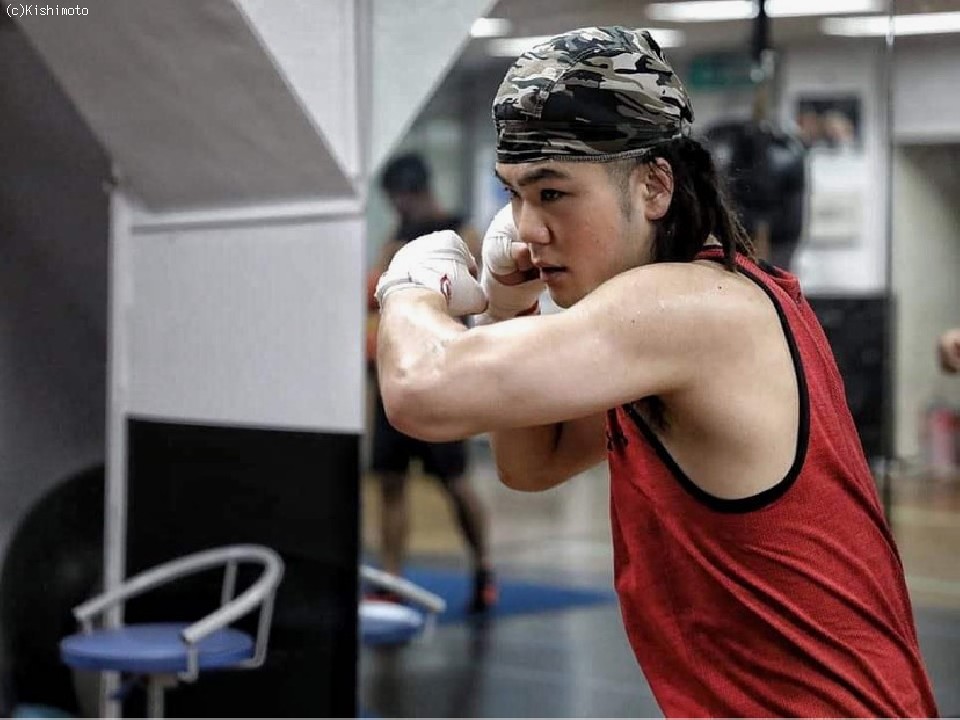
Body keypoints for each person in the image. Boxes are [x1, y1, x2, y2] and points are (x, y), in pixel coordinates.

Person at [372, 26, 938, 717]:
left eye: (553, 194)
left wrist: (409, 284)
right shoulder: (675, 316)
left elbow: (419, 389)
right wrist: (508, 305)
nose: (526, 228)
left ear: (654, 186)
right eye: (515, 195)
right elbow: (533, 464)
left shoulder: (685, 308)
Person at [365, 152, 497, 613]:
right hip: (395, 375)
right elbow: (378, 294)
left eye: (398, 197)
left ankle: (483, 568)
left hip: (442, 377)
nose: (397, 206)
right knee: (390, 482)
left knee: (455, 482)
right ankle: (391, 578)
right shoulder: (396, 239)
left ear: (413, 191)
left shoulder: (460, 233)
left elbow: (476, 291)